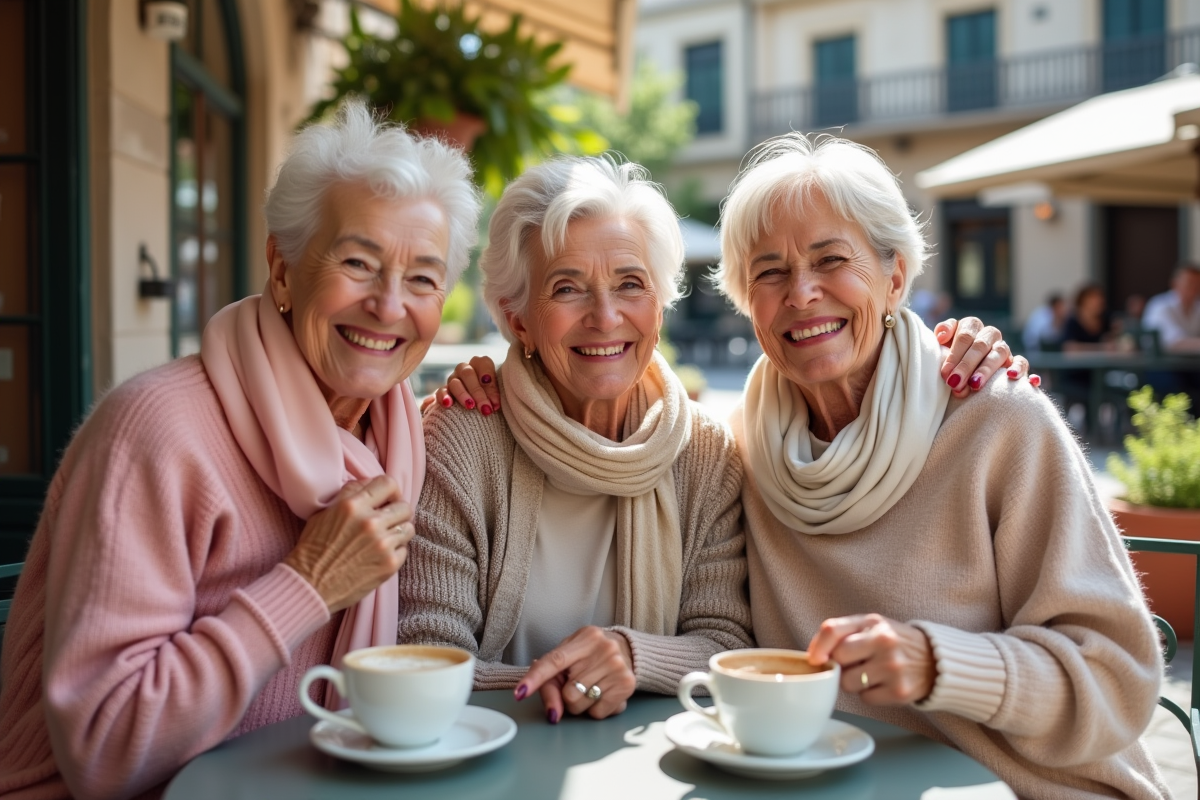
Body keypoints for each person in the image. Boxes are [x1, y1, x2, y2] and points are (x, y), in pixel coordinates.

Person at [0, 100, 481, 799]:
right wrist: (309, 583)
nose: (387, 305)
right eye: (358, 261)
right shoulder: (158, 431)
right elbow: (105, 753)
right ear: (282, 270)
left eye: (422, 280)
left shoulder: (400, 438)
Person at [719, 135, 1165, 799]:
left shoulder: (998, 419)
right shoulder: (745, 448)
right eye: (769, 272)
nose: (802, 292)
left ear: (895, 276)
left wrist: (938, 664)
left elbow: (1116, 681)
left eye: (830, 259)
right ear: (744, 299)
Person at [397, 157, 755, 724]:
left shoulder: (705, 452)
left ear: (658, 306)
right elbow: (426, 659)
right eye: (568, 288)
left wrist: (631, 658)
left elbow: (727, 645)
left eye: (630, 284)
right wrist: (576, 682)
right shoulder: (461, 438)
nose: (606, 315)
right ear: (517, 320)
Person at [1143, 263, 1200, 353]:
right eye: (1190, 284)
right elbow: (1175, 342)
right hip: (1160, 364)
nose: (1194, 289)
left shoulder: (1197, 307)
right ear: (1175, 284)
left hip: (1189, 363)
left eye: (1198, 285)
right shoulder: (1160, 306)